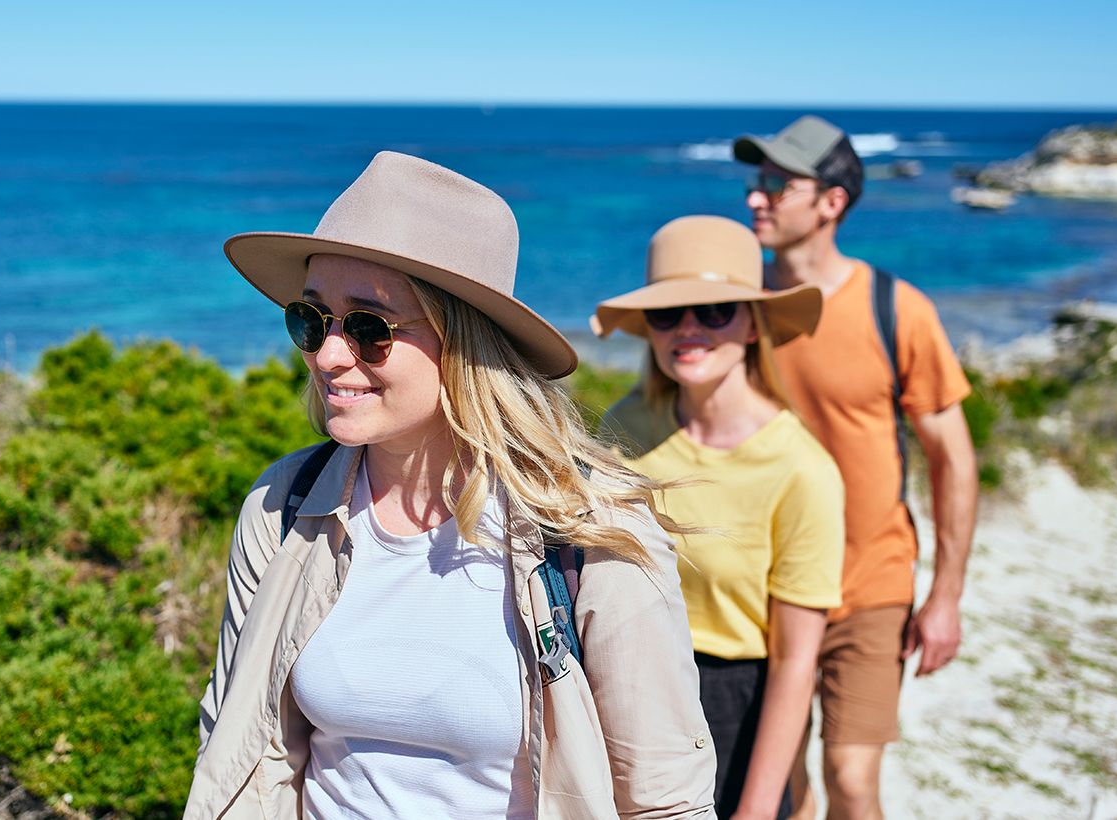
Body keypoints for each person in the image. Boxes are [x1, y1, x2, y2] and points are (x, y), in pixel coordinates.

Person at [183, 151, 717, 820]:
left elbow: (667, 800)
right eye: (312, 319)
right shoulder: (285, 504)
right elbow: (238, 743)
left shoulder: (591, 531)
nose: (326, 354)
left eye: (371, 328)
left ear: (465, 343)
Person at [734, 116, 979, 819]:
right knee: (780, 787)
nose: (758, 197)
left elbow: (952, 457)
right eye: (759, 181)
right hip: (762, 591)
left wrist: (946, 595)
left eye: (780, 184)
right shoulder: (734, 310)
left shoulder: (896, 309)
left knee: (851, 778)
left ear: (832, 202)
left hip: (869, 585)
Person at [592, 215, 844, 819]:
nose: (688, 329)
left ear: (754, 324)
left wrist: (755, 808)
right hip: (626, 681)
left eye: (714, 311)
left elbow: (793, 663)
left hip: (737, 702)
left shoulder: (802, 470)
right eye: (667, 314)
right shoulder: (623, 430)